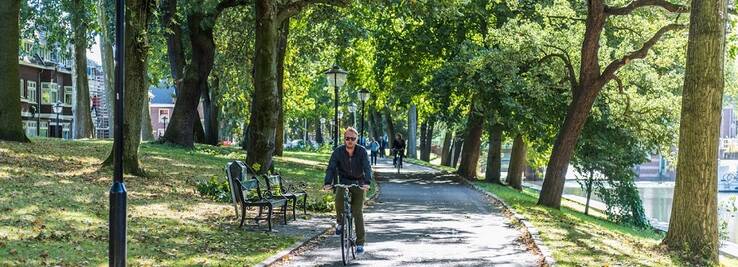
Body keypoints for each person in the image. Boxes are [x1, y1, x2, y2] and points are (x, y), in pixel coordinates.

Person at [323, 127, 372, 254]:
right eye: (347, 138)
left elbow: (367, 167)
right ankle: (340, 222)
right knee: (338, 200)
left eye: (353, 138)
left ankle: (360, 243)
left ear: (357, 140)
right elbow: (331, 168)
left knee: (357, 212)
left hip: (359, 183)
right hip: (343, 181)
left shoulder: (362, 151)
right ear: (344, 139)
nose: (350, 141)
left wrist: (367, 182)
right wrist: (328, 183)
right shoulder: (338, 152)